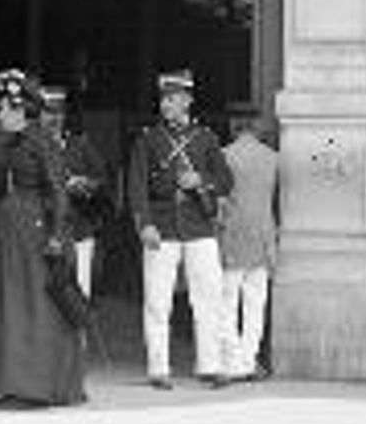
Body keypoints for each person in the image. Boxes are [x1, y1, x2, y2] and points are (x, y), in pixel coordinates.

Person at [0, 68, 86, 409]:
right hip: (13, 235)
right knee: (13, 306)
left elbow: (58, 192)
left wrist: (57, 236)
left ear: (21, 111)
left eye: (5, 108)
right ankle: (18, 381)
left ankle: (33, 388)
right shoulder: (17, 139)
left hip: (33, 235)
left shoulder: (38, 141)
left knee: (31, 308)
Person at [126, 68, 234, 390]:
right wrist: (144, 223)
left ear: (187, 100)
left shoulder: (206, 138)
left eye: (172, 98)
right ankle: (158, 368)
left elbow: (226, 180)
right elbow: (136, 187)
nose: (166, 104)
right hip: (162, 227)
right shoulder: (148, 139)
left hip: (199, 226)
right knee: (158, 301)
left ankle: (209, 365)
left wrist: (202, 180)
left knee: (209, 298)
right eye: (163, 99)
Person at [217, 102, 280, 383]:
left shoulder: (223, 156)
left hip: (231, 236)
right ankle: (248, 359)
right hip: (262, 237)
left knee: (227, 303)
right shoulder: (272, 158)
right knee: (256, 304)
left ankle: (232, 362)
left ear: (234, 126)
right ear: (256, 126)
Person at [40, 85, 109, 299]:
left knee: (79, 295)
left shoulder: (80, 145)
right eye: (48, 112)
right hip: (42, 231)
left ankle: (79, 334)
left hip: (79, 228)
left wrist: (86, 184)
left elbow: (103, 179)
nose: (54, 118)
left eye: (59, 112)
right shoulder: (27, 147)